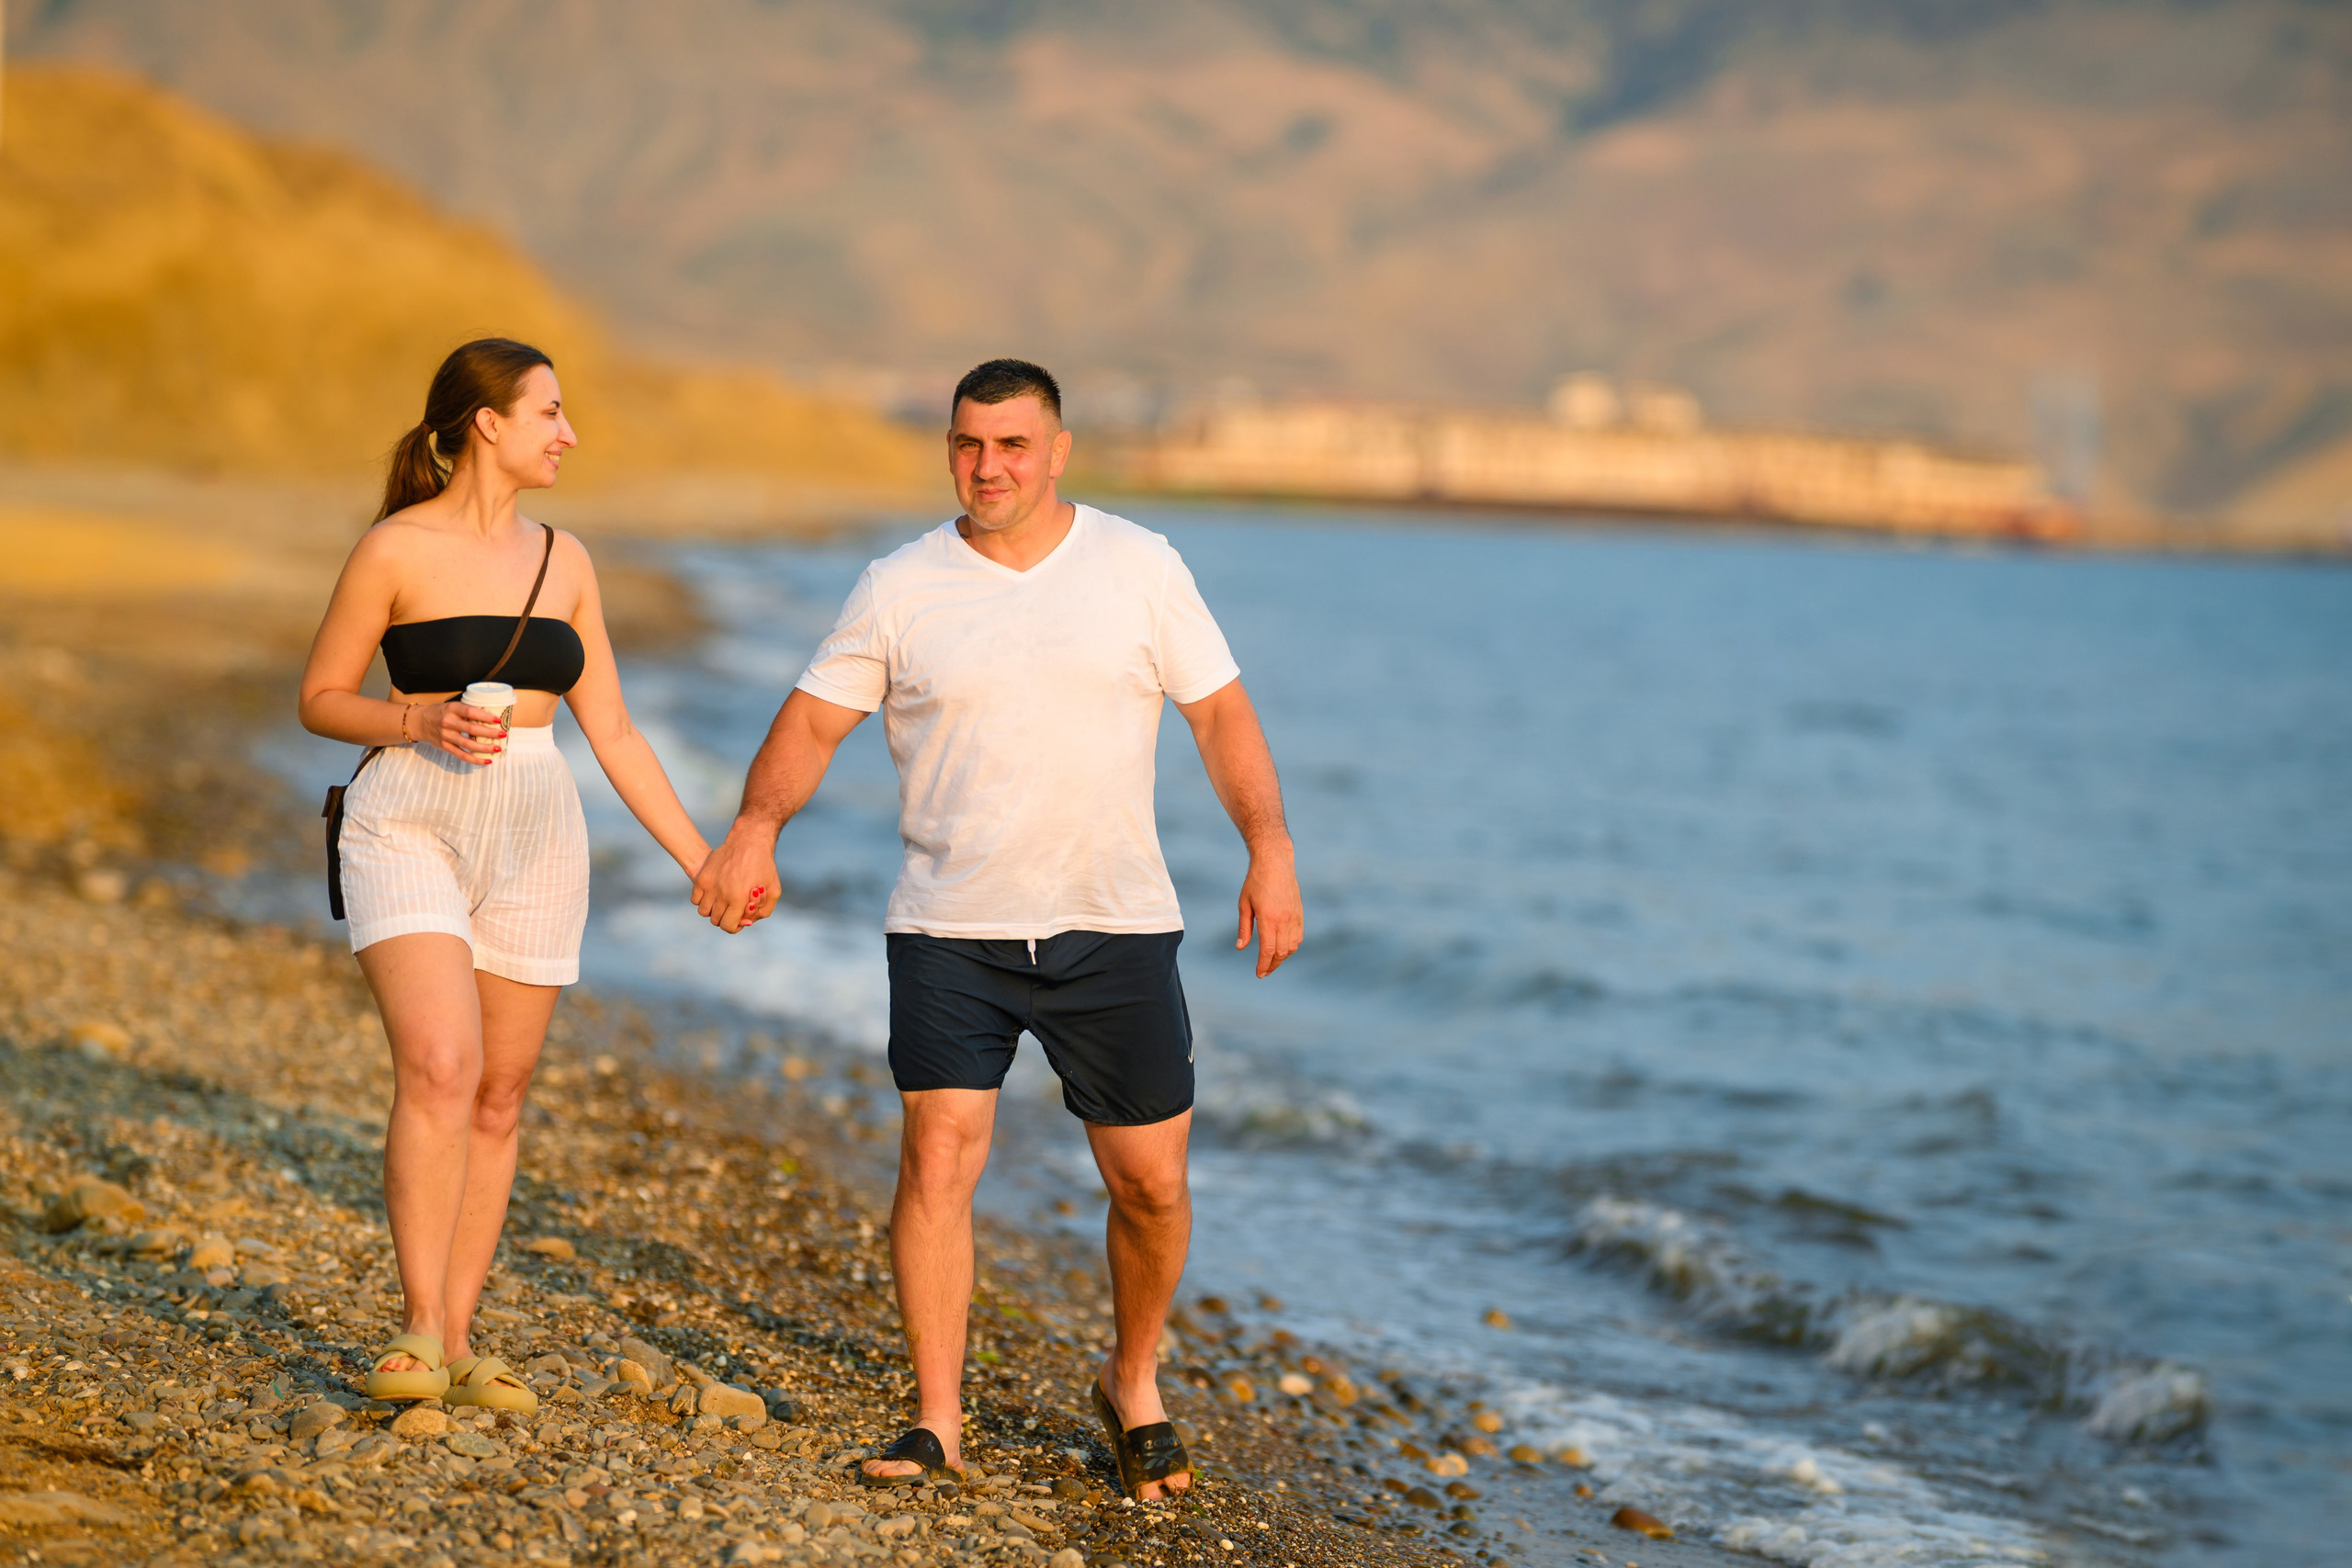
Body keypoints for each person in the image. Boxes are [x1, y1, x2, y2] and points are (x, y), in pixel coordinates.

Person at [692, 358, 1304, 1500]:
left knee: (1151, 1188)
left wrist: (1269, 849)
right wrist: (753, 830)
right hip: (949, 927)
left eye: (1013, 445)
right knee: (938, 1154)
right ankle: (935, 1418)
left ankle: (1133, 1383)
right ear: (951, 450)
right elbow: (813, 721)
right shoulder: (898, 585)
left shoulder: (1138, 566)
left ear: (1057, 449)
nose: (989, 467)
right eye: (970, 445)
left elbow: (1219, 709)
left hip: (1111, 922)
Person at [298, 338, 710, 1412]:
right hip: (407, 817)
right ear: (488, 422)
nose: (568, 434)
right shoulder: (393, 548)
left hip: (537, 826)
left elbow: (612, 731)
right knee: (438, 1065)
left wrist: (702, 861)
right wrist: (412, 717)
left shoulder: (565, 560)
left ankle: (467, 1332)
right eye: (550, 414)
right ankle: (421, 1325)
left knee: (497, 1093)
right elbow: (321, 696)